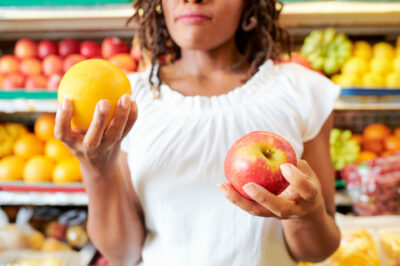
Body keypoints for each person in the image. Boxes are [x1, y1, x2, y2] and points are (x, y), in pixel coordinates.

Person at [55, 0, 341, 265]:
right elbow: (124, 253)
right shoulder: (127, 100)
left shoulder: (303, 91)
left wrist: (307, 214)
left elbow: (316, 251)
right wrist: (99, 169)